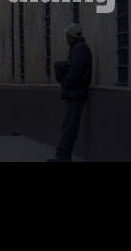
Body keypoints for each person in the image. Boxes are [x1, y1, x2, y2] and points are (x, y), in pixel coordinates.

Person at [49, 22, 92, 161]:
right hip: (75, 92)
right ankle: (63, 154)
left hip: (75, 93)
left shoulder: (79, 49)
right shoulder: (78, 48)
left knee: (69, 126)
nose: (65, 39)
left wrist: (66, 83)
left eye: (67, 36)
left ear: (71, 37)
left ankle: (63, 155)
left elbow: (75, 72)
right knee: (68, 125)